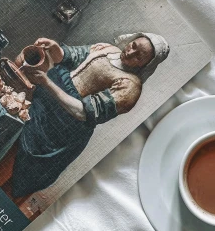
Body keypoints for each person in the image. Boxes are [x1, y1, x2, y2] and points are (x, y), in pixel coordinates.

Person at [11, 33, 169, 197]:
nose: (130, 52)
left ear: (146, 64)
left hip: (62, 127)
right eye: (134, 45)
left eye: (138, 56)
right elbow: (69, 57)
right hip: (43, 101)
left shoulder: (130, 87)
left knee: (24, 163)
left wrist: (47, 83)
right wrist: (54, 47)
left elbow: (83, 113)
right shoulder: (107, 49)